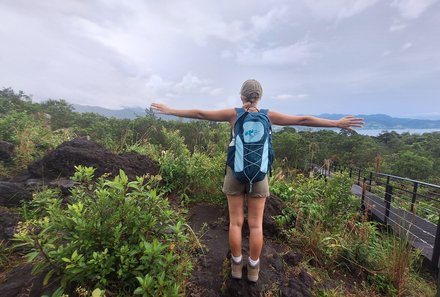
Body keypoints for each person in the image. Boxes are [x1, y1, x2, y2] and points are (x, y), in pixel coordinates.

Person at [151, 79, 364, 282]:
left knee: (235, 222)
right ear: (259, 97)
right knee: (255, 225)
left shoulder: (233, 114)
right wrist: (336, 123)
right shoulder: (268, 116)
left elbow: (199, 113)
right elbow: (303, 120)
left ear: (242, 95)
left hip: (234, 172)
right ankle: (253, 268)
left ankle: (236, 266)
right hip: (259, 175)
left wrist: (171, 110)